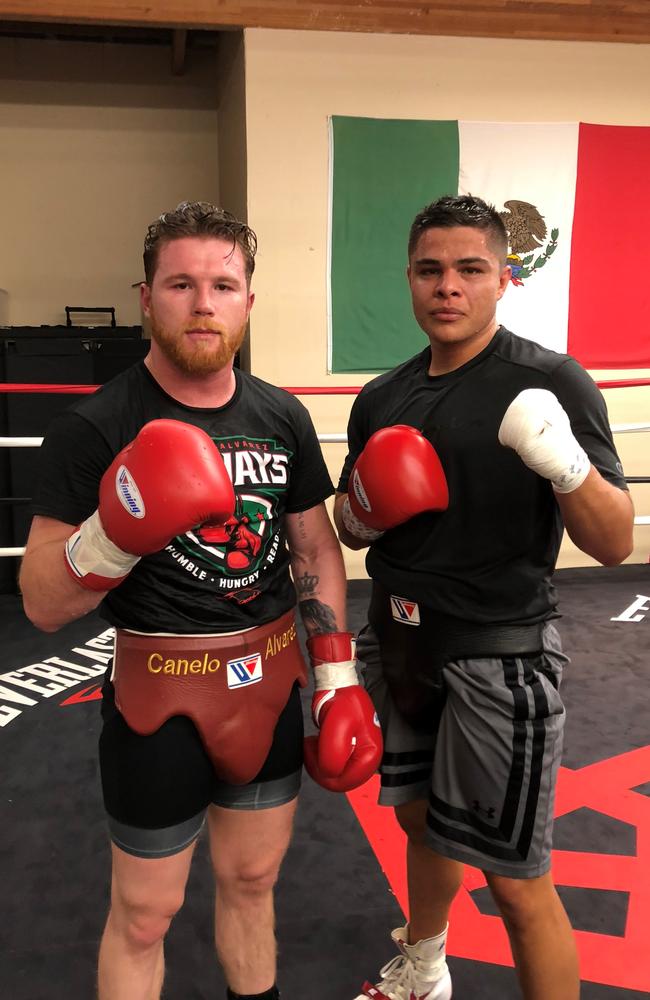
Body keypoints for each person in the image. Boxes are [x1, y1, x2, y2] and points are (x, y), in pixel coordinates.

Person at [19, 201, 382, 1000]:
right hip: (159, 693)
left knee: (253, 882)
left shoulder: (279, 413)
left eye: (223, 285)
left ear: (249, 301)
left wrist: (337, 677)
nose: (203, 302)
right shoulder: (95, 427)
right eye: (181, 284)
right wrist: (112, 535)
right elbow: (43, 602)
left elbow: (315, 547)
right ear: (147, 298)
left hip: (270, 681)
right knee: (145, 914)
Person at [333, 194, 634, 1000]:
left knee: (513, 878)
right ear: (409, 279)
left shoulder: (549, 380)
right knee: (420, 820)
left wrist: (564, 462)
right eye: (430, 270)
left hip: (496, 657)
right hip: (396, 643)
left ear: (505, 277)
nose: (448, 287)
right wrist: (363, 505)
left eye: (470, 269)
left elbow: (614, 542)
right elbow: (351, 529)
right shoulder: (383, 396)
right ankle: (424, 969)